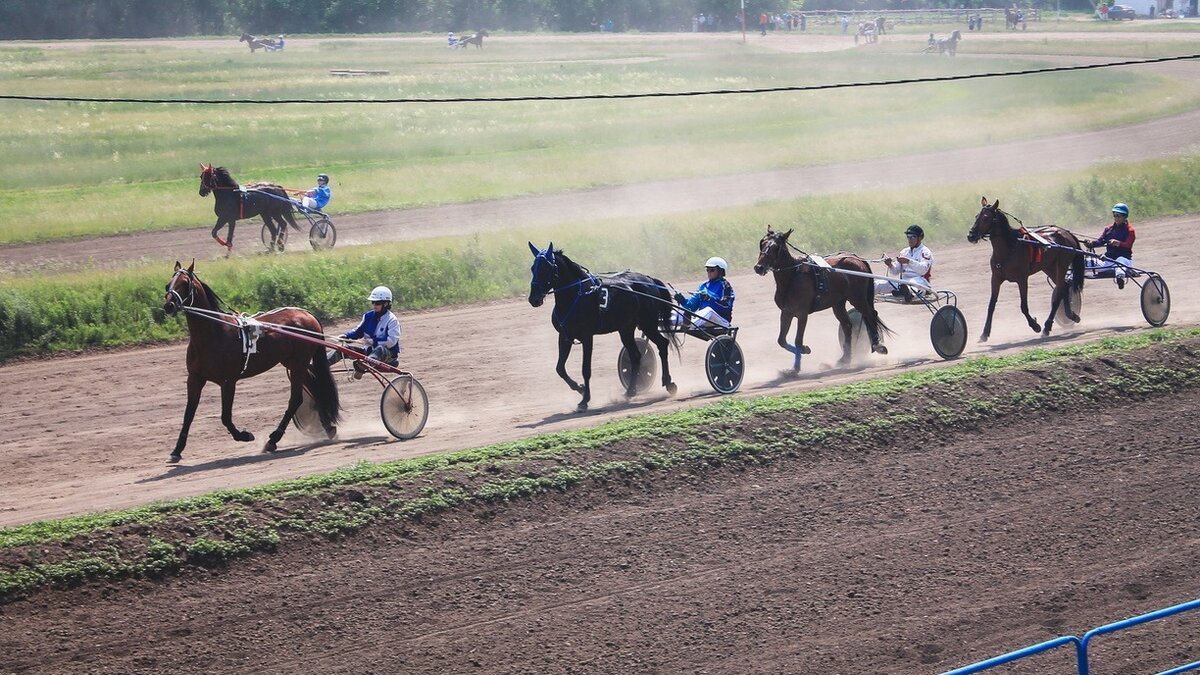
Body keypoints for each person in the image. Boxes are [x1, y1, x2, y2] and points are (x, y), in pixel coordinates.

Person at [329, 286, 401, 379]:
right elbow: (358, 332)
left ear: (386, 303)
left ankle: (362, 366)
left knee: (380, 348)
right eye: (373, 302)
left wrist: (374, 341)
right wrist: (346, 336)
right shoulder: (368, 316)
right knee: (341, 349)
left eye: (377, 303)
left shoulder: (392, 320)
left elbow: (392, 341)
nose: (374, 305)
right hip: (367, 353)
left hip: (387, 357)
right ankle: (319, 364)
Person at [673, 257, 736, 329]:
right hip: (703, 319)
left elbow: (726, 306)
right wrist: (682, 300)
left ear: (721, 271)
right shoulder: (703, 286)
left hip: (721, 320)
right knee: (675, 313)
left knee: (708, 310)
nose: (709, 272)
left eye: (712, 270)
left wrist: (710, 298)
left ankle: (688, 324)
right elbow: (691, 307)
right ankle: (661, 321)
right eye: (707, 270)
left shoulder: (725, 286)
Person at [875, 224, 934, 300]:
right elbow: (895, 272)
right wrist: (890, 265)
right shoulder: (904, 252)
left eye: (913, 237)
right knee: (878, 284)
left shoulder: (925, 252)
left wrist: (908, 261)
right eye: (908, 237)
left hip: (920, 282)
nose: (910, 239)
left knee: (912, 285)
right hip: (903, 283)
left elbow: (923, 270)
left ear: (920, 238)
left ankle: (907, 292)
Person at [1085, 203, 1136, 289]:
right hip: (1108, 261)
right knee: (1086, 262)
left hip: (1125, 260)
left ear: (1124, 217)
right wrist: (1091, 244)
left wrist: (1118, 243)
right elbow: (1100, 241)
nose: (1116, 217)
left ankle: (1120, 278)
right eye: (1114, 215)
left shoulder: (1130, 230)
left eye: (1118, 215)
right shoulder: (1108, 229)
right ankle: (1071, 279)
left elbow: (1128, 245)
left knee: (1120, 260)